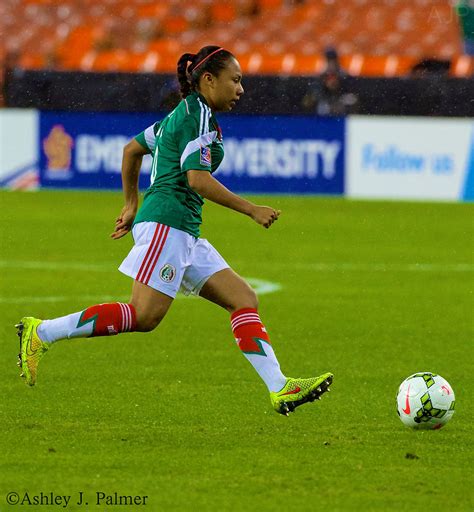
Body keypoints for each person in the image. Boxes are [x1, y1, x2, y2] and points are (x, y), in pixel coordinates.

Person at [16, 45, 333, 416]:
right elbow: (197, 179)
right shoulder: (196, 115)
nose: (241, 89)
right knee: (143, 315)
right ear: (209, 80)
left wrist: (132, 203)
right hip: (168, 224)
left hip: (182, 228)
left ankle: (280, 387)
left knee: (243, 298)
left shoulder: (182, 115)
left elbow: (132, 149)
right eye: (235, 80)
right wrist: (251, 209)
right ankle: (42, 333)